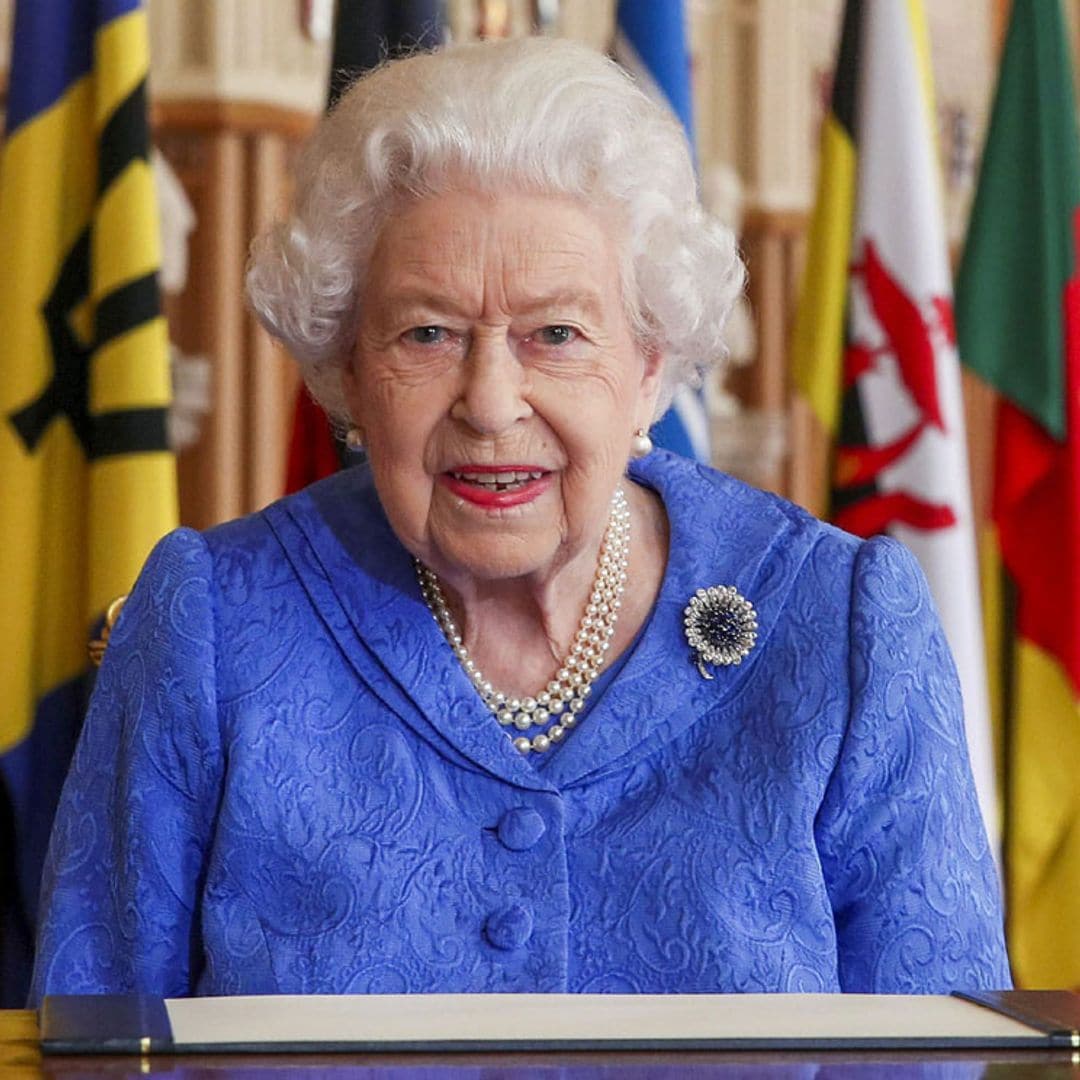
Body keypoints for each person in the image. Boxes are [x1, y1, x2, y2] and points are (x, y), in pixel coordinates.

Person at [30, 36, 1010, 1000]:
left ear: (650, 366)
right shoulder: (216, 624)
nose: (491, 403)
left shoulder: (838, 627)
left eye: (555, 334)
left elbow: (946, 1051)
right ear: (347, 370)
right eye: (428, 333)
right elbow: (95, 1038)